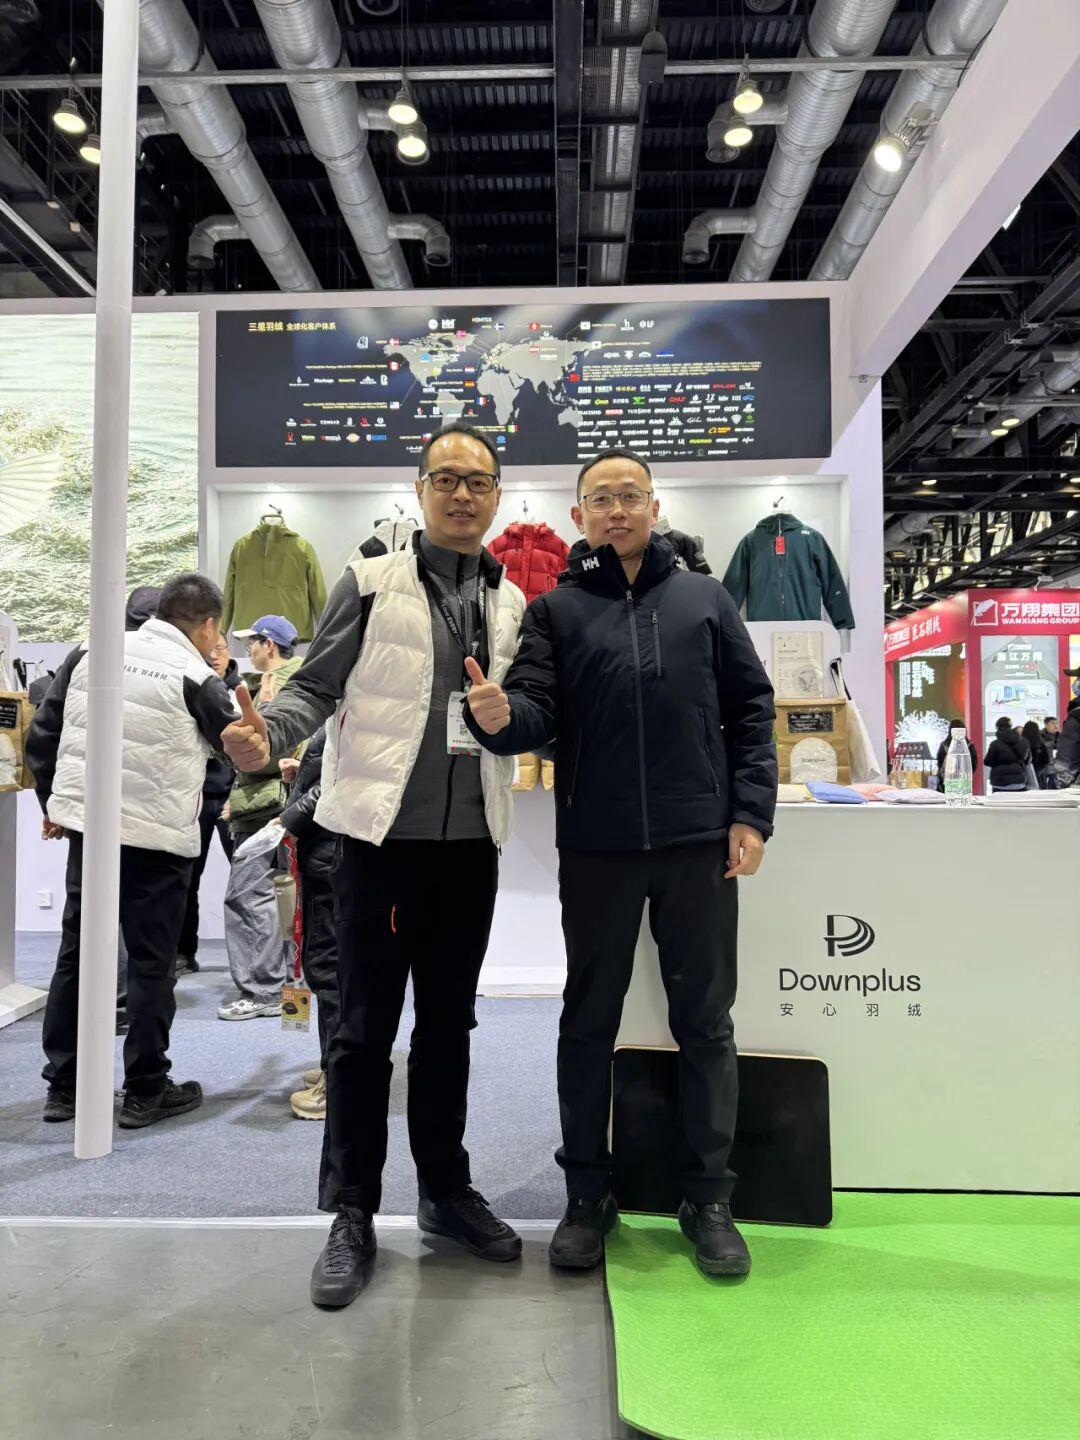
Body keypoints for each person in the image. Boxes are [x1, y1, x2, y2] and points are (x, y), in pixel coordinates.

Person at [221, 421, 527, 1308]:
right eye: (446, 479)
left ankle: (445, 1193)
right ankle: (352, 1211)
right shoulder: (369, 581)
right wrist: (267, 738)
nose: (462, 494)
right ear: (421, 490)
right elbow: (315, 686)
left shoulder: (510, 599)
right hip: (374, 845)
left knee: (449, 1029)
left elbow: (522, 708)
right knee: (360, 1034)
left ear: (496, 495)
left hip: (470, 849)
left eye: (478, 481)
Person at [465, 446, 777, 1279]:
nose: (616, 510)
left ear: (654, 506)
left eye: (630, 495)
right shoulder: (557, 612)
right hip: (597, 847)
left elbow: (751, 711)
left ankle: (708, 1197)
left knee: (704, 1022)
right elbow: (535, 712)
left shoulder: (706, 600)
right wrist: (499, 718)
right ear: (579, 516)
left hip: (697, 844)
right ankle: (585, 1195)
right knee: (586, 1020)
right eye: (600, 498)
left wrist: (750, 814)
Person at [25, 574, 240, 1128]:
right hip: (159, 841)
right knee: (151, 964)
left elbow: (43, 734)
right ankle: (145, 1089)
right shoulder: (197, 675)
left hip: (92, 832)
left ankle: (64, 1087)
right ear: (208, 625)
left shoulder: (89, 651)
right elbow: (239, 749)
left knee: (77, 953)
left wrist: (57, 806)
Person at [218, 615, 302, 1021]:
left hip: (273, 812)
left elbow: (278, 751)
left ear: (269, 644)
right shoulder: (269, 685)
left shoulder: (283, 687)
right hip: (276, 809)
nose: (247, 650)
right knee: (283, 901)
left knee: (250, 896)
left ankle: (263, 990)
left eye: (252, 642)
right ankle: (281, 988)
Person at [280, 726, 339, 1121]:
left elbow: (337, 782)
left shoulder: (354, 711)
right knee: (327, 969)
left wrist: (287, 820)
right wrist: (301, 773)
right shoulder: (341, 714)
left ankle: (339, 1081)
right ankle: (334, 1065)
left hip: (333, 856)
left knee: (331, 971)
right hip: (328, 854)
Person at [176, 634, 241, 976]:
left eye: (221, 649)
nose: (215, 655)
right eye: (210, 648)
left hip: (236, 798)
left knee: (248, 880)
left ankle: (256, 964)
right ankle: (183, 953)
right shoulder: (191, 686)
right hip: (196, 797)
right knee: (187, 878)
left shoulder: (244, 690)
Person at [983, 716, 1032, 792]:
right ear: (1010, 726)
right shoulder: (1023, 742)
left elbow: (988, 761)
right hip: (1019, 782)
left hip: (999, 783)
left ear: (997, 727)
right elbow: (1028, 760)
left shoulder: (995, 744)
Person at [934, 719, 978, 792]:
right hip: (963, 782)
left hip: (946, 782)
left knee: (945, 797)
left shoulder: (944, 745)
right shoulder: (969, 745)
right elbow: (973, 764)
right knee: (962, 797)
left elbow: (939, 763)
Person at [1021, 720, 1050, 789]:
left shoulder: (1022, 744)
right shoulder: (1041, 745)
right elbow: (1046, 761)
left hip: (1024, 775)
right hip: (1040, 775)